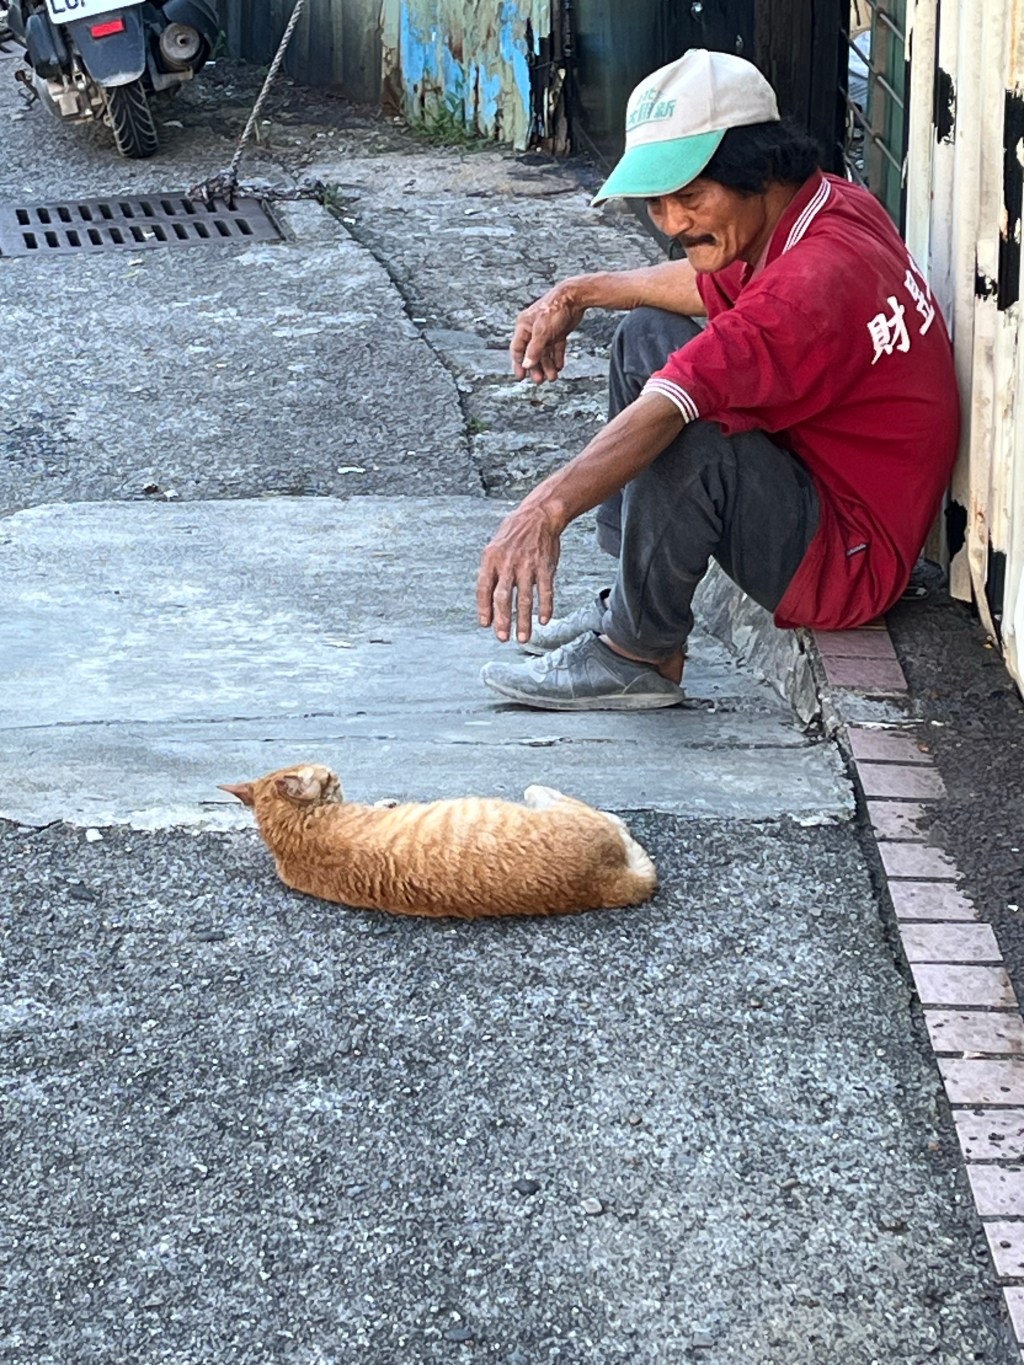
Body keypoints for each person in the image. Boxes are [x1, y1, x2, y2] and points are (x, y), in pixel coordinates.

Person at [475, 48, 960, 711]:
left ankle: (640, 653)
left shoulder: (809, 288)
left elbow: (679, 399)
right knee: (645, 335)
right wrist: (579, 292)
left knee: (686, 429)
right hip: (822, 484)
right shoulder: (822, 205)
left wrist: (545, 509)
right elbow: (703, 284)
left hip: (849, 557)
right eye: (658, 203)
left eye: (691, 197)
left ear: (755, 170)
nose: (674, 224)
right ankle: (631, 594)